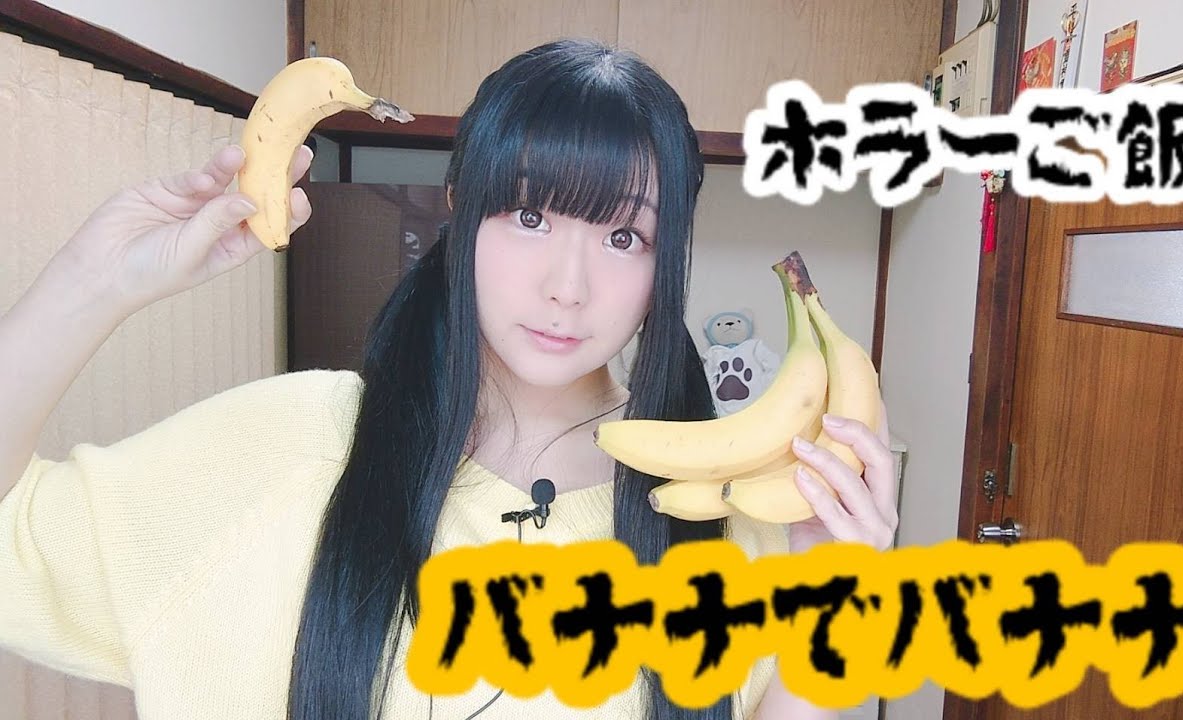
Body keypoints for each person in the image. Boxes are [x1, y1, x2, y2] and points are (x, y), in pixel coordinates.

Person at [0, 38, 898, 720]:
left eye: (624, 236)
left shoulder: (733, 528)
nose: (568, 286)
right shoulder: (292, 446)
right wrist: (92, 281)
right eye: (530, 216)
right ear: (461, 214)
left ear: (668, 264)